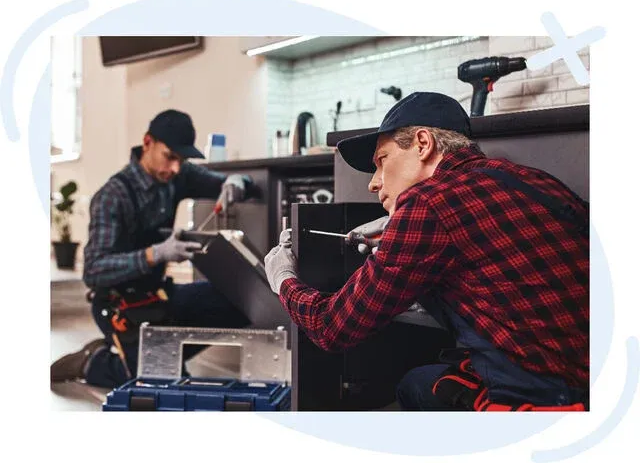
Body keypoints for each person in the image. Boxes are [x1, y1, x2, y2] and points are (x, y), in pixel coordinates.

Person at [264, 92, 589, 411]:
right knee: (423, 381)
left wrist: (283, 277)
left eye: (382, 161)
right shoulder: (533, 179)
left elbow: (332, 327)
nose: (373, 183)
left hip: (544, 400)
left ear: (423, 144)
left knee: (413, 387)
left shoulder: (428, 203)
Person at [51, 109, 252, 388]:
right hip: (118, 305)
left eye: (181, 160)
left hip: (158, 296)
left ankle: (156, 354)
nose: (176, 168)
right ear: (147, 143)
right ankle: (93, 361)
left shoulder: (175, 175)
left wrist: (235, 182)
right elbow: (94, 270)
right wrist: (155, 254)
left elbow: (221, 181)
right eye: (170, 157)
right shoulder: (113, 196)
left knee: (240, 299)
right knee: (159, 382)